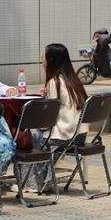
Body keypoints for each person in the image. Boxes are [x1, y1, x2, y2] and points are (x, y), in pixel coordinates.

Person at [26, 43, 89, 191]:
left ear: (51, 60)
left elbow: (48, 119)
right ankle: (45, 179)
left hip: (63, 136)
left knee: (29, 135)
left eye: (44, 56)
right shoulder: (73, 80)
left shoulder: (55, 82)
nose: (42, 60)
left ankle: (34, 183)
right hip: (80, 135)